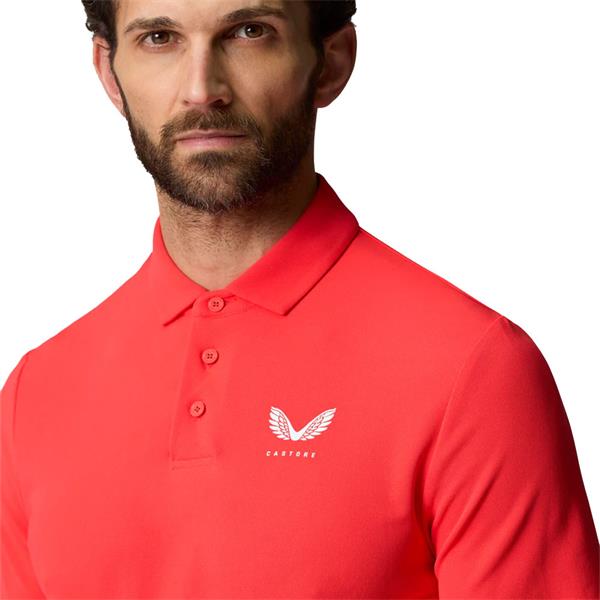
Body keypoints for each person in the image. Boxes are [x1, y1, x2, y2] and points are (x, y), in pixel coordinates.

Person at [1, 0, 598, 598]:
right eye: (160, 38)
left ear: (330, 62)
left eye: (249, 32)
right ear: (109, 71)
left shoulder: (473, 369)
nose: (201, 89)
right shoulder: (36, 393)